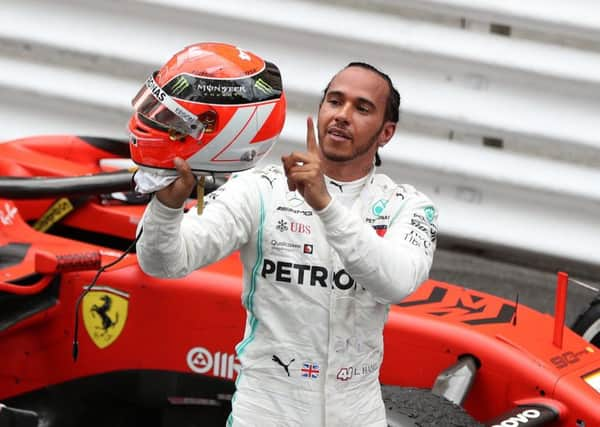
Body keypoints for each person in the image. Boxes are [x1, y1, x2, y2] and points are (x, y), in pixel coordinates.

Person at [135, 51, 438, 426]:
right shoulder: (260, 189)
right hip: (265, 411)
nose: (342, 114)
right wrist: (166, 206)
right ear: (320, 109)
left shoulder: (407, 206)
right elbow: (162, 263)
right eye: (335, 100)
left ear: (386, 132)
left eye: (362, 108)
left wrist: (325, 205)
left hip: (358, 413)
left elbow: (395, 282)